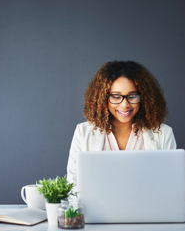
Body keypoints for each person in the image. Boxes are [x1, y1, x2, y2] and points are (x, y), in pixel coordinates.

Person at [66, 60, 176, 188]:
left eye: (132, 96)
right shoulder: (83, 132)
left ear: (144, 98)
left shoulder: (164, 134)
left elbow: (170, 184)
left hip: (148, 207)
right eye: (116, 96)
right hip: (96, 208)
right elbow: (73, 185)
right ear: (103, 99)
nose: (124, 105)